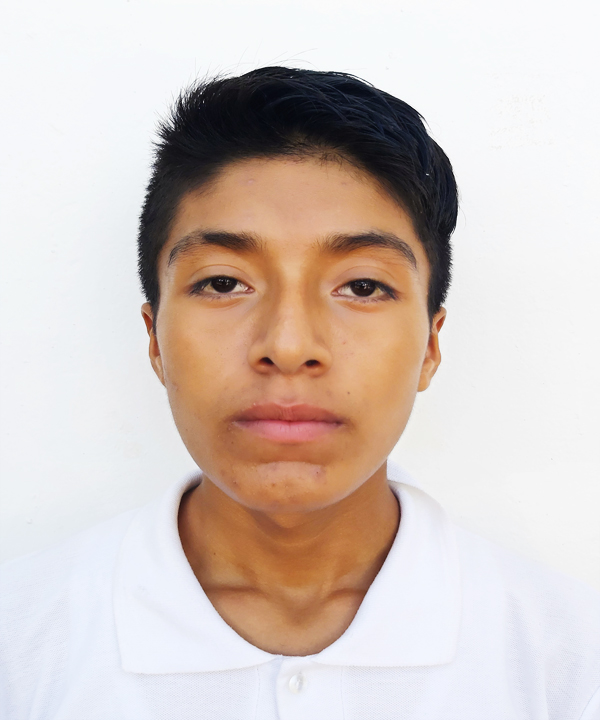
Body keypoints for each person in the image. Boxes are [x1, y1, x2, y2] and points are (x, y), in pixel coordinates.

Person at [1, 66, 598, 720]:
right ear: (155, 339)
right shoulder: (23, 643)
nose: (288, 346)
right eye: (223, 283)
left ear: (430, 344)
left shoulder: (567, 658)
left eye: (362, 287)